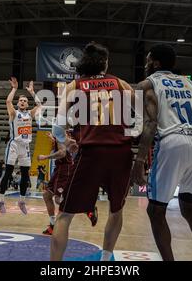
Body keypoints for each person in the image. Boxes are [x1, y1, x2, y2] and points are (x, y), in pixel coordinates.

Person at [130, 44, 192, 261]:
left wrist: (139, 160)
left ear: (156, 63)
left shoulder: (146, 84)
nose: (146, 63)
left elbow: (150, 125)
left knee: (156, 210)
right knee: (189, 208)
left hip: (172, 142)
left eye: (149, 60)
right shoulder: (190, 84)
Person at [50, 42, 134, 261]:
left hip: (91, 153)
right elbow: (144, 117)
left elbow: (57, 128)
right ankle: (105, 261)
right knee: (116, 210)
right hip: (121, 153)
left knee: (65, 215)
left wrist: (67, 143)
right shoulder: (122, 84)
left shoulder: (75, 86)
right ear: (105, 63)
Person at [39, 132, 98, 236]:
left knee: (59, 200)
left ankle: (88, 210)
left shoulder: (60, 134)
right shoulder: (61, 136)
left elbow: (62, 153)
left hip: (64, 170)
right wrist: (54, 140)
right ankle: (53, 226)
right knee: (47, 195)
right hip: (59, 169)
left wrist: (45, 157)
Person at [0, 78, 42, 215]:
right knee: (8, 172)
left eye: (25, 101)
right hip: (14, 145)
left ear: (27, 104)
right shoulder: (14, 113)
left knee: (25, 175)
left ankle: (21, 201)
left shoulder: (30, 114)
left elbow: (39, 104)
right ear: (18, 103)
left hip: (25, 146)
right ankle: (0, 201)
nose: (22, 102)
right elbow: (8, 101)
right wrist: (14, 89)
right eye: (21, 100)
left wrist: (33, 93)